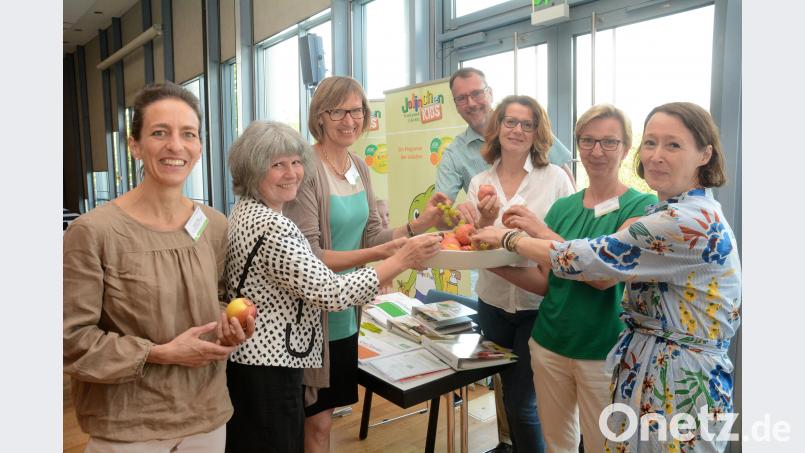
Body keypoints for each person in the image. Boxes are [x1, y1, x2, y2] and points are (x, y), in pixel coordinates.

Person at [472, 102, 741, 452]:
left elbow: (593, 265)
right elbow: (556, 276)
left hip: (672, 376)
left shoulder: (679, 220)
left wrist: (517, 237)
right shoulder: (668, 210)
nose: (657, 155)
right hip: (635, 362)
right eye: (652, 143)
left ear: (705, 154)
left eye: (673, 145)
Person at [223, 121, 441, 452]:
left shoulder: (246, 211)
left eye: (296, 163)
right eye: (277, 165)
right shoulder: (274, 226)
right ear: (253, 171)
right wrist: (401, 261)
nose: (292, 173)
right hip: (269, 364)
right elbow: (332, 293)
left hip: (253, 357)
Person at [63, 82, 254, 452]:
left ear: (199, 147)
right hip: (129, 425)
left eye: (188, 134)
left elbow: (214, 298)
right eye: (159, 133)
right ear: (135, 145)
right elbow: (70, 340)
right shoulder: (93, 232)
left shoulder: (214, 225)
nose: (176, 146)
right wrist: (158, 353)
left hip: (206, 414)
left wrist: (227, 327)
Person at [283, 75, 450, 453]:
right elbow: (310, 255)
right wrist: (379, 257)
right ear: (320, 116)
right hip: (311, 313)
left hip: (347, 312)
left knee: (323, 420)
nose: (349, 120)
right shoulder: (304, 168)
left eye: (356, 110)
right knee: (316, 422)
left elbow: (373, 234)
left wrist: (418, 225)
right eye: (337, 111)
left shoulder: (359, 165)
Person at [491, 104, 657, 452]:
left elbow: (602, 277)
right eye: (588, 141)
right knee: (557, 444)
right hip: (549, 343)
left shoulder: (642, 208)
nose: (597, 151)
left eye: (609, 142)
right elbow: (545, 282)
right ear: (578, 145)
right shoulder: (563, 207)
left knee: (604, 446)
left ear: (627, 148)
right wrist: (488, 262)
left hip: (604, 351)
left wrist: (539, 231)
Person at [436, 68, 574, 452]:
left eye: (526, 124)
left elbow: (564, 245)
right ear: (497, 128)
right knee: (501, 391)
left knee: (522, 401)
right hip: (493, 303)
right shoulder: (480, 178)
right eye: (510, 122)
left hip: (538, 306)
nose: (516, 130)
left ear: (537, 132)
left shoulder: (556, 179)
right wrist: (479, 218)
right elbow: (478, 239)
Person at [435, 67, 574, 204]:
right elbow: (442, 210)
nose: (471, 103)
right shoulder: (460, 161)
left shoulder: (531, 129)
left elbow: (567, 190)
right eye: (461, 98)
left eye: (477, 93)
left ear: (490, 93)